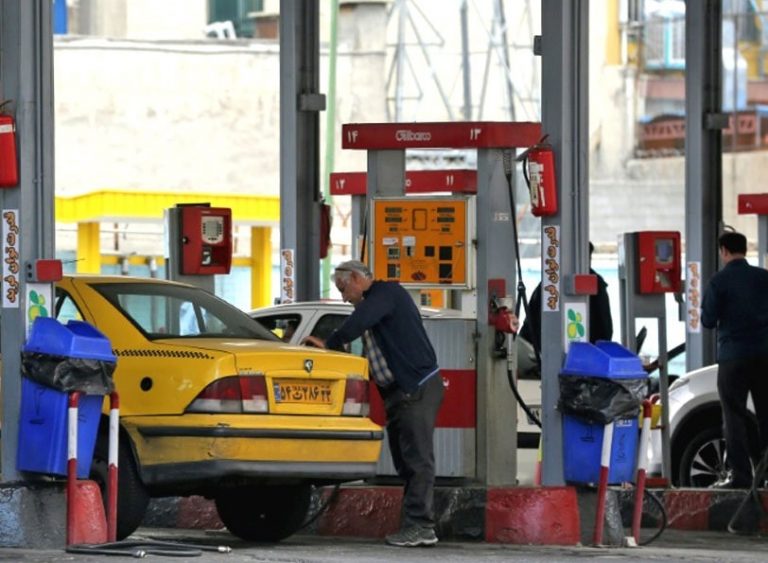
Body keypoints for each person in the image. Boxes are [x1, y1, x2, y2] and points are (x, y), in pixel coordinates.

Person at [302, 260, 444, 547]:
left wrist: (331, 342)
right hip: (398, 393)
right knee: (405, 462)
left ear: (356, 277)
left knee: (418, 460)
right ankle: (416, 524)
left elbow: (358, 322)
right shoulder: (373, 304)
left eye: (344, 288)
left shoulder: (386, 294)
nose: (344, 297)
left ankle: (421, 526)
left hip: (415, 387)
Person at [701, 230, 768, 489]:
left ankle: (741, 477)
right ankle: (765, 473)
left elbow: (707, 321)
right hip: (764, 355)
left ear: (724, 251)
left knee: (734, 416)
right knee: (765, 414)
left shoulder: (719, 281)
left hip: (734, 358)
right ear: (745, 250)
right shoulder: (764, 278)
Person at [519, 242, 613, 356]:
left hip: (546, 358)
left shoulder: (548, 284)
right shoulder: (597, 284)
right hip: (588, 358)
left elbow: (529, 328)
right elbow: (605, 328)